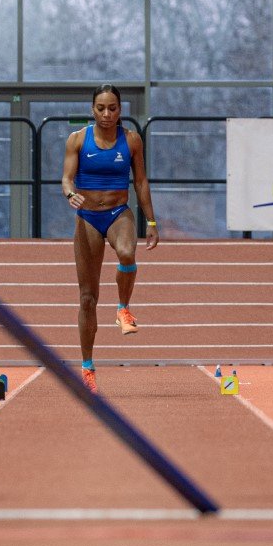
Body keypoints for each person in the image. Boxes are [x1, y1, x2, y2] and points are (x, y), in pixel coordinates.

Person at [61, 85, 159, 393]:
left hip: (118, 212)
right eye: (101, 108)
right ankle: (88, 366)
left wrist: (152, 220)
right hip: (88, 217)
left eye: (113, 108)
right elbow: (66, 177)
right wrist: (70, 194)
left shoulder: (131, 140)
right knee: (87, 298)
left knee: (128, 253)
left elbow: (140, 181)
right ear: (93, 109)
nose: (107, 113)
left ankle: (123, 308)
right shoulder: (77, 139)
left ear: (120, 110)